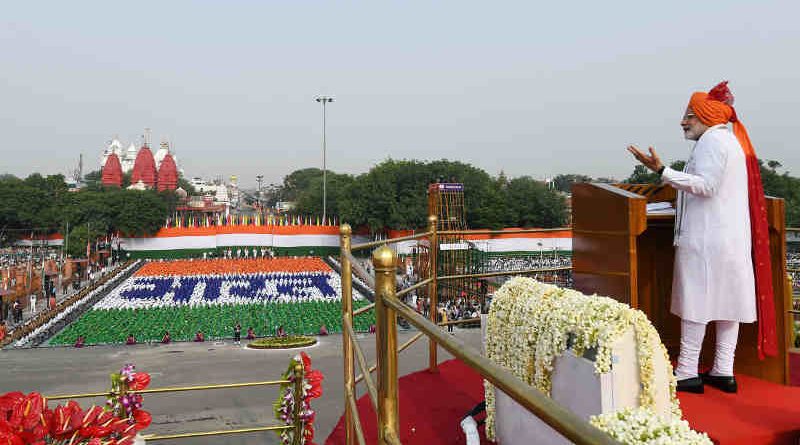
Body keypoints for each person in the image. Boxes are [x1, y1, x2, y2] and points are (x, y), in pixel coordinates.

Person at [627, 81, 774, 394]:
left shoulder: (711, 143)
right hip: (728, 239)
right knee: (727, 305)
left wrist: (662, 170)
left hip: (707, 240)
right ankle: (723, 370)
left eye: (690, 116)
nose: (684, 121)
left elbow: (706, 185)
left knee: (697, 303)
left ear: (707, 117)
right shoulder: (729, 142)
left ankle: (687, 371)